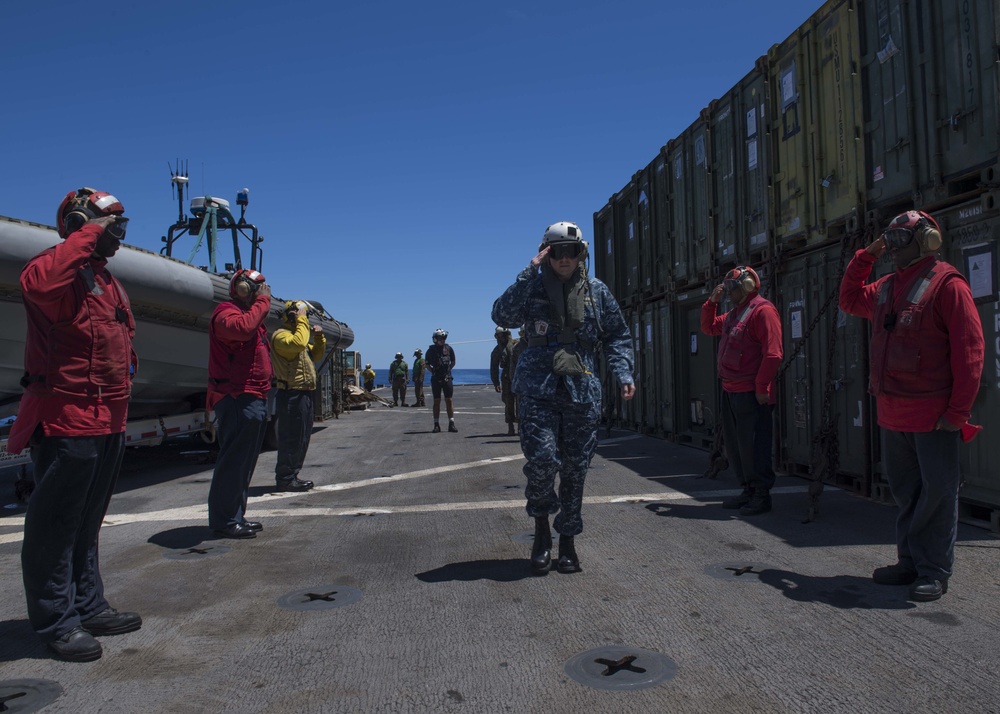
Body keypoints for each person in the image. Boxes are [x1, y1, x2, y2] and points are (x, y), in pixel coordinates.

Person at [9, 187, 141, 661]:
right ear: (81, 224)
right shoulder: (53, 269)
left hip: (108, 418)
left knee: (87, 521)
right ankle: (56, 622)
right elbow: (39, 287)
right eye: (113, 228)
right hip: (66, 417)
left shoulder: (105, 279)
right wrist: (86, 233)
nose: (119, 238)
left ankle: (88, 605)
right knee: (55, 525)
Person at [839, 210, 984, 602]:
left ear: (927, 241)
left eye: (900, 240)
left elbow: (970, 353)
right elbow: (849, 299)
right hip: (893, 413)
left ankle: (934, 571)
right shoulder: (886, 287)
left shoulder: (947, 286)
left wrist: (957, 413)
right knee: (907, 492)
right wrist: (865, 256)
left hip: (933, 417)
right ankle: (909, 562)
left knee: (937, 494)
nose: (893, 248)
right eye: (891, 240)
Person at [492, 222, 635, 575]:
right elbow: (501, 315)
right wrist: (529, 271)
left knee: (575, 469)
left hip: (581, 391)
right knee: (541, 462)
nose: (565, 258)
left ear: (581, 252)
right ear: (547, 252)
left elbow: (617, 335)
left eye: (571, 251)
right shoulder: (532, 286)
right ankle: (542, 532)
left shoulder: (597, 292)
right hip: (538, 390)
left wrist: (623, 372)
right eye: (557, 251)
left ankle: (568, 540)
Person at [700, 265, 783, 516]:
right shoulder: (735, 314)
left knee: (754, 446)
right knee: (737, 447)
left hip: (750, 394)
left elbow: (773, 354)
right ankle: (747, 489)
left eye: (732, 288)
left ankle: (761, 495)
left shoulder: (763, 312)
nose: (729, 293)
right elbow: (709, 327)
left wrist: (761, 388)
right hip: (731, 391)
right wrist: (711, 303)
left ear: (747, 286)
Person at [206, 268, 273, 539]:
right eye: (258, 289)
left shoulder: (247, 315)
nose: (263, 293)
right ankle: (224, 520)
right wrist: (263, 302)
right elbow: (241, 330)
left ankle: (235, 515)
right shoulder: (225, 313)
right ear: (243, 289)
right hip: (236, 398)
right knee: (234, 462)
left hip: (251, 396)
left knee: (244, 462)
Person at [270, 300, 326, 492]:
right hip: (291, 394)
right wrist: (303, 322)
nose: (305, 319)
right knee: (291, 437)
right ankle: (285, 478)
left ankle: (292, 475)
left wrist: (319, 338)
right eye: (302, 315)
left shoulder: (297, 337)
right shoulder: (281, 336)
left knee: (301, 436)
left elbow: (316, 355)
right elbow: (299, 343)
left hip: (304, 393)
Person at [425, 328, 458, 432]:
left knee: (449, 400)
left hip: (447, 378)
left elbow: (453, 361)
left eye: (443, 338)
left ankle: (451, 423)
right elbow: (427, 364)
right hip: (436, 379)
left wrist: (447, 371)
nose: (442, 340)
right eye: (440, 338)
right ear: (435, 339)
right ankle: (436, 424)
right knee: (437, 401)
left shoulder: (449, 349)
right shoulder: (430, 351)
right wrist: (434, 372)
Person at [490, 326, 518, 435]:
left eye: (503, 335)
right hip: (506, 378)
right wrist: (496, 383)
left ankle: (521, 426)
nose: (502, 338)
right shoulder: (497, 351)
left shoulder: (517, 345)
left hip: (518, 376)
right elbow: (494, 367)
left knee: (520, 402)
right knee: (508, 402)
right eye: (500, 336)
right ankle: (510, 427)